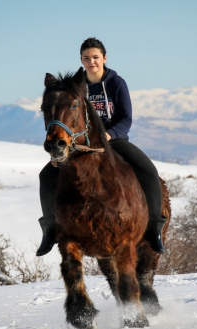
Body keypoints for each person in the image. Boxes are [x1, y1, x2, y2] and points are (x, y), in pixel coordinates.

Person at [36, 37, 166, 256]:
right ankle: (50, 230)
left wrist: (109, 133)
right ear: (81, 60)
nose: (91, 62)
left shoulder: (116, 83)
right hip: (82, 144)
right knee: (46, 175)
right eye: (86, 58)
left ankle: (154, 229)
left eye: (95, 57)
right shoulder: (77, 87)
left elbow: (126, 118)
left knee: (149, 171)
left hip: (115, 141)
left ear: (104, 58)